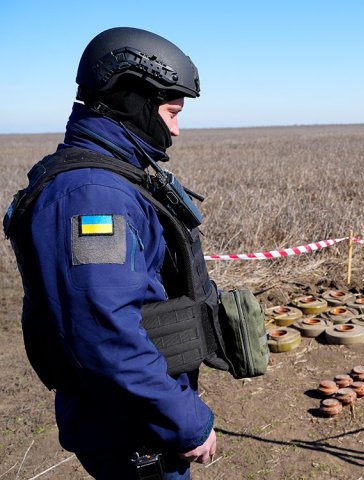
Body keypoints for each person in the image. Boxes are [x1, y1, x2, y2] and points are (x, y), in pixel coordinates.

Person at [4, 27, 220, 479]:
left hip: (135, 411)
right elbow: (104, 334)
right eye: (171, 111)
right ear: (131, 100)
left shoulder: (113, 179)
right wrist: (187, 422)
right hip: (130, 426)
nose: (176, 130)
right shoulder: (91, 195)